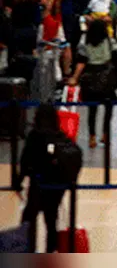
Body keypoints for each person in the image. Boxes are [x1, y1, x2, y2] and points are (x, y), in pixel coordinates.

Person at [16, 103, 74, 253]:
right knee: (51, 219)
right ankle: (50, 252)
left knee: (29, 218)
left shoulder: (34, 136)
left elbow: (25, 160)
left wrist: (19, 181)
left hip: (38, 183)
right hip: (55, 185)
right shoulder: (61, 136)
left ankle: (28, 251)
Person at [68, 18, 117, 148]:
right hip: (107, 77)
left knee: (92, 109)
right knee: (108, 107)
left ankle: (92, 137)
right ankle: (105, 134)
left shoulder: (84, 41)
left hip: (90, 77)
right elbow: (116, 58)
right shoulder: (109, 41)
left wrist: (74, 77)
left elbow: (81, 62)